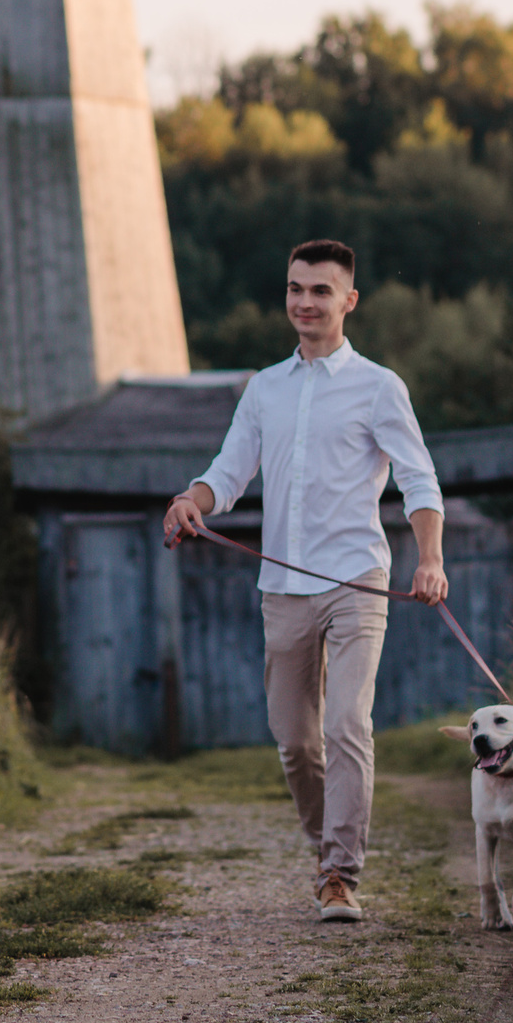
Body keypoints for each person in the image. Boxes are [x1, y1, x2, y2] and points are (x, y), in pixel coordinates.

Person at [162, 238, 445, 923]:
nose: (305, 301)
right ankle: (328, 850)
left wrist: (430, 557)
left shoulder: (379, 385)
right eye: (296, 288)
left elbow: (418, 477)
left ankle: (340, 872)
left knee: (348, 722)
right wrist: (190, 503)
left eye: (321, 290)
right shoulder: (265, 388)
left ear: (349, 300)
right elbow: (229, 470)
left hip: (358, 580)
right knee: (295, 739)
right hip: (283, 588)